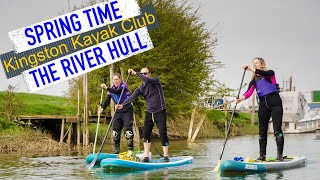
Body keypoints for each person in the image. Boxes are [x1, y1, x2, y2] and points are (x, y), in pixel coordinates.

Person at [235, 57, 284, 161]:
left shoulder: (270, 73)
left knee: (277, 129)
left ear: (262, 64)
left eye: (257, 63)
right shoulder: (254, 81)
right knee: (262, 131)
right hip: (263, 105)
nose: (255, 65)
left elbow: (264, 73)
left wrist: (251, 69)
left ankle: (279, 156)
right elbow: (248, 92)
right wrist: (241, 99)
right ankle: (262, 155)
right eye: (254, 64)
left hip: (275, 103)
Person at [116, 67, 170, 162]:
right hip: (149, 112)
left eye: (145, 73)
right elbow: (132, 97)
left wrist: (136, 73)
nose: (144, 75)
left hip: (160, 111)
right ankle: (146, 156)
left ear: (149, 74)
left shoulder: (155, 80)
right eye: (142, 73)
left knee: (162, 132)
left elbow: (147, 80)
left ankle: (166, 156)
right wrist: (122, 105)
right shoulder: (141, 88)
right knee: (146, 134)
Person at [99, 74, 134, 154]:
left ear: (120, 79)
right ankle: (116, 150)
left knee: (127, 129)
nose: (115, 81)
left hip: (127, 109)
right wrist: (102, 108)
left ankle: (130, 149)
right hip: (118, 111)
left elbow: (118, 92)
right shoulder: (111, 89)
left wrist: (106, 88)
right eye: (114, 80)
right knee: (115, 130)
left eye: (117, 79)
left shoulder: (124, 85)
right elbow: (107, 100)